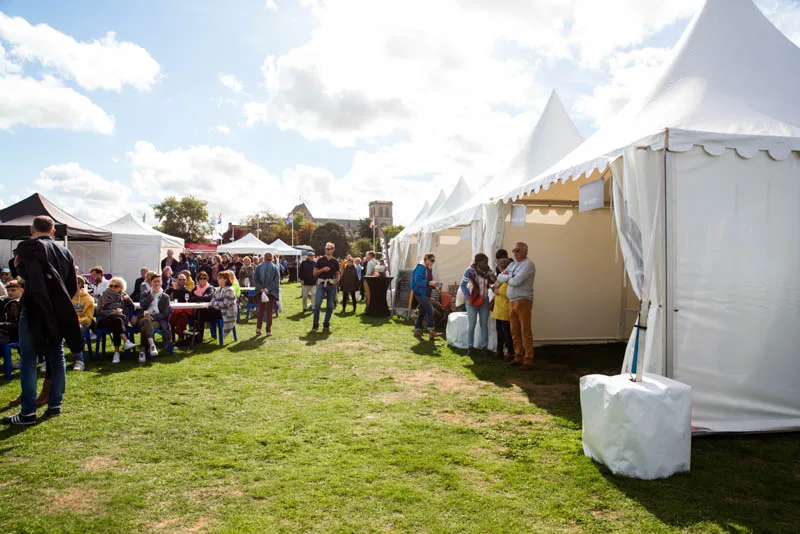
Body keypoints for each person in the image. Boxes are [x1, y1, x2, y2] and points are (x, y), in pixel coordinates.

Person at [3, 216, 82, 426]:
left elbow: (21, 277)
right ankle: (54, 404)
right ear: (53, 231)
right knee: (56, 356)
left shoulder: (29, 249)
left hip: (34, 309)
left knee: (29, 358)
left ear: (32, 229)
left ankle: (28, 412)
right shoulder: (65, 252)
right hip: (57, 312)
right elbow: (72, 287)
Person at [498, 242, 535, 370]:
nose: (514, 252)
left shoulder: (528, 264)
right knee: (514, 331)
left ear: (525, 251)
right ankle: (518, 356)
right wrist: (509, 277)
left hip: (523, 301)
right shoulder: (513, 264)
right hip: (512, 301)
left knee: (525, 331)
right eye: (513, 250)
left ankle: (528, 359)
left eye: (517, 250)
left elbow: (516, 281)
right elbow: (499, 276)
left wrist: (507, 277)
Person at [460, 253, 496, 355]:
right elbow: (463, 285)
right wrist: (468, 297)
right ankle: (470, 347)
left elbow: (491, 283)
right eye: (485, 262)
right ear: (478, 262)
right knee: (472, 325)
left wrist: (494, 286)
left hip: (484, 300)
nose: (487, 264)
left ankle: (484, 347)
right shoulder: (469, 271)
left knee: (484, 325)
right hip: (472, 301)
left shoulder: (488, 272)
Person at [96, 276, 137, 363]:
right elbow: (99, 312)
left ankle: (117, 353)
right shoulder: (103, 296)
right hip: (104, 320)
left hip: (119, 321)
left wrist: (129, 300)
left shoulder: (124, 296)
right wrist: (112, 312)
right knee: (117, 320)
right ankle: (125, 341)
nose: (112, 288)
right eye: (111, 286)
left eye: (116, 286)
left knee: (117, 322)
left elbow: (133, 308)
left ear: (121, 288)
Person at [133, 275, 171, 362]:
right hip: (142, 319)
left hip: (156, 320)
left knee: (145, 327)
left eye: (158, 281)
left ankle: (142, 351)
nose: (156, 283)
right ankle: (152, 345)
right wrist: (152, 295)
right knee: (146, 321)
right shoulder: (145, 294)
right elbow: (143, 305)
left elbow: (164, 314)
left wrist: (153, 317)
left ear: (161, 282)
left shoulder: (165, 297)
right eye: (154, 281)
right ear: (151, 283)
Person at [195, 270, 236, 342]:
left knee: (201, 313)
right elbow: (212, 302)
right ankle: (197, 336)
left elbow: (225, 304)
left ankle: (198, 337)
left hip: (226, 313)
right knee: (200, 312)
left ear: (225, 279)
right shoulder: (218, 289)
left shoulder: (230, 290)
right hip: (217, 311)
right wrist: (216, 305)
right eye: (218, 278)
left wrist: (217, 304)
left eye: (220, 278)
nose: (218, 279)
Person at [410, 253, 440, 338]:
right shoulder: (421, 267)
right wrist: (428, 283)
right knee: (430, 311)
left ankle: (417, 331)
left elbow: (428, 281)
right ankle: (431, 330)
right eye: (432, 260)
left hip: (424, 292)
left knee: (422, 312)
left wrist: (435, 287)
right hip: (421, 293)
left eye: (434, 261)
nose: (433, 262)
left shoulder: (427, 268)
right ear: (426, 259)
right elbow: (417, 280)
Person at [312, 242, 339, 332]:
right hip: (321, 283)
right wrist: (323, 269)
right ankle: (315, 325)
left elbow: (338, 274)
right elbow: (314, 273)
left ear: (333, 250)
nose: (327, 250)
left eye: (329, 249)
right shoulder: (320, 260)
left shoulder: (335, 261)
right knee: (317, 305)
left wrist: (336, 281)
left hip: (331, 284)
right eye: (326, 249)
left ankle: (326, 324)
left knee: (330, 306)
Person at [491, 258, 514, 361]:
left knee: (507, 333)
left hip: (506, 309)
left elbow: (510, 293)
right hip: (498, 309)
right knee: (499, 332)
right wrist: (494, 289)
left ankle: (510, 352)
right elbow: (494, 286)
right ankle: (499, 351)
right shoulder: (499, 278)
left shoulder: (510, 278)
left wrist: (497, 291)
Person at [253, 252, 280, 336]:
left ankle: (258, 328)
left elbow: (255, 279)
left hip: (261, 291)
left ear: (264, 258)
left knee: (261, 310)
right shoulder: (275, 267)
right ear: (272, 258)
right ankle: (268, 330)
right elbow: (276, 281)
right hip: (270, 292)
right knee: (269, 311)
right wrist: (268, 289)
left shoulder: (258, 267)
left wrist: (261, 289)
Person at [71, 277, 94, 371]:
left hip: (81, 324)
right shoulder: (67, 296)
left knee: (77, 329)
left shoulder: (88, 299)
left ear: (79, 285)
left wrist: (77, 321)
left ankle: (79, 361)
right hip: (67, 322)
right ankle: (48, 361)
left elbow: (88, 318)